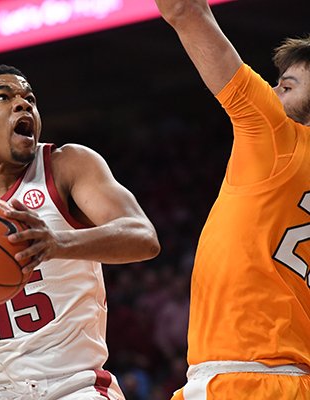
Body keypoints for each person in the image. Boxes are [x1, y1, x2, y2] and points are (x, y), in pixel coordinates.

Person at [0, 64, 160, 400]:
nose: (23, 104)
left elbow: (143, 238)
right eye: (3, 97)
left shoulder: (66, 165)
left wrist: (58, 243)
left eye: (29, 98)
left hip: (75, 385)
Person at [153, 0, 310, 398]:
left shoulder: (277, 132)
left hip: (246, 379)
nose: (273, 90)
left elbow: (184, 10)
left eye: (287, 86)